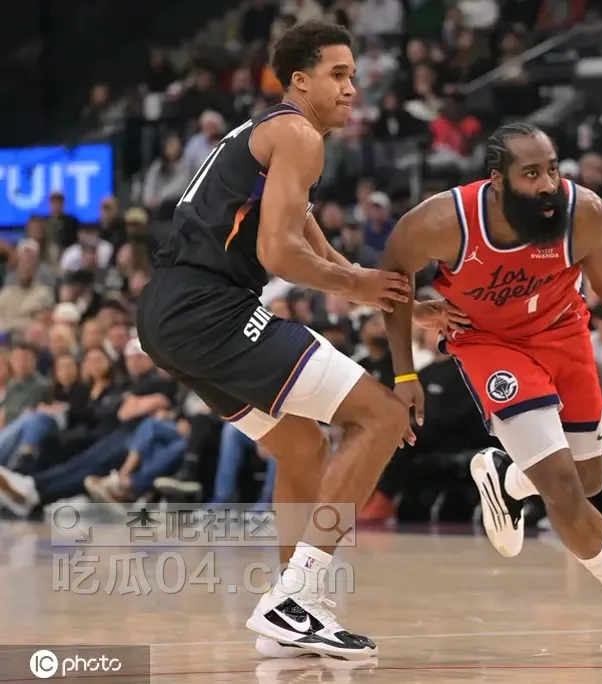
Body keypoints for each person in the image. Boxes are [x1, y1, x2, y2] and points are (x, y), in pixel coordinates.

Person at [136, 21, 463, 661]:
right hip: (209, 307)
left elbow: (316, 244)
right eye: (338, 75)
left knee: (302, 445)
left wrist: (391, 299)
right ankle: (297, 598)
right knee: (381, 416)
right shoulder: (298, 134)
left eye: (353, 76)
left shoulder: (267, 134)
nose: (351, 89)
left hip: (167, 315)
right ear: (299, 81)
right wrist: (360, 284)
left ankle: (292, 611)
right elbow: (279, 254)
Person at [379, 122, 602, 656]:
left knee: (588, 479)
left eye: (551, 169)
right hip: (489, 343)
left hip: (563, 332)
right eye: (531, 174)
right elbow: (391, 277)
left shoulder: (582, 212)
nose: (547, 184)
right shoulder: (443, 222)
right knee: (564, 487)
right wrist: (405, 373)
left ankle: (508, 478)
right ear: (497, 180)